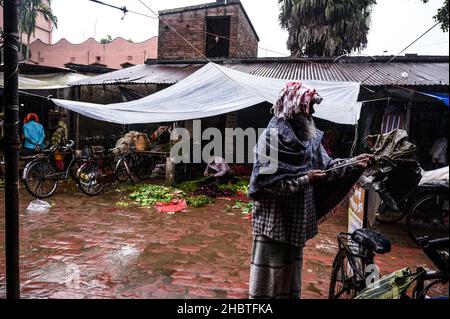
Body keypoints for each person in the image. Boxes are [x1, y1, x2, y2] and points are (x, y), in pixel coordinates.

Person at [248, 82, 373, 299]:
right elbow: (269, 184)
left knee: (289, 277)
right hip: (273, 223)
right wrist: (306, 179)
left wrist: (354, 163)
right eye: (309, 107)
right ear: (294, 109)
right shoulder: (270, 139)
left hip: (295, 222)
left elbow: (328, 167)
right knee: (268, 280)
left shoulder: (308, 141)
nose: (313, 112)